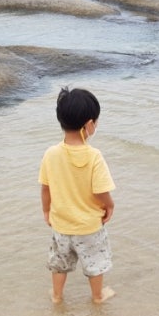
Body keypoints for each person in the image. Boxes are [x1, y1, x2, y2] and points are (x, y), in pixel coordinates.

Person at [39, 87, 116, 304]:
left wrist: (46, 210)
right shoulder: (94, 156)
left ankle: (56, 296)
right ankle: (98, 296)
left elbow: (45, 188)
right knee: (95, 263)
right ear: (89, 124)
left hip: (61, 224)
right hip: (89, 226)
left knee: (59, 263)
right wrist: (110, 205)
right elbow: (101, 191)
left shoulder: (51, 153)